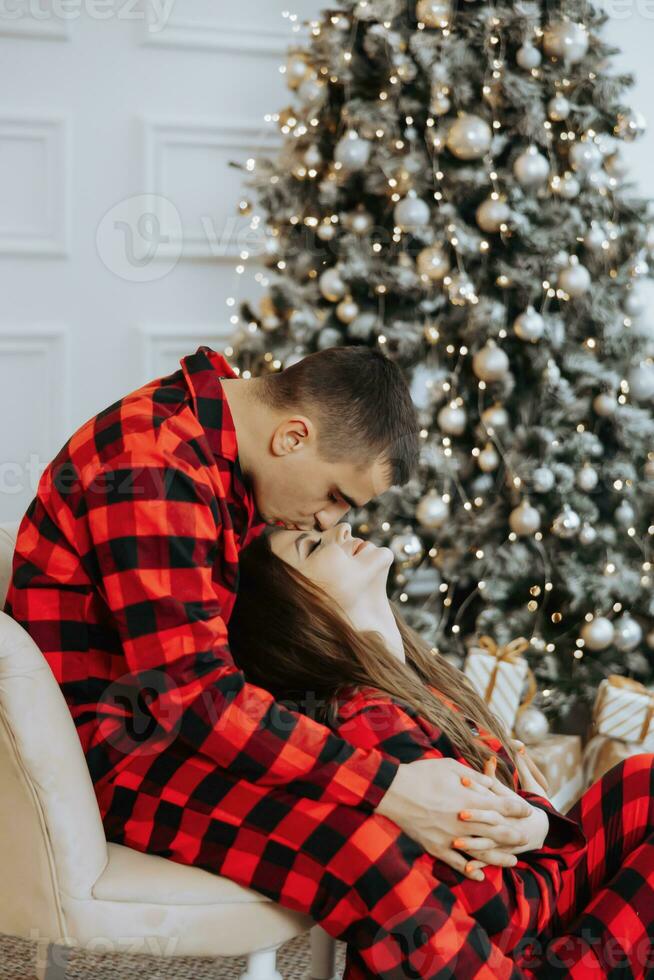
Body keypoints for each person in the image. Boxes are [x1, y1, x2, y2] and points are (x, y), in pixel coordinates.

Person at [6, 344, 548, 976]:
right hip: (124, 760)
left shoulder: (225, 449)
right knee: (368, 846)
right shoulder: (152, 465)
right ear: (294, 436)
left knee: (396, 780)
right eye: (337, 496)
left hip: (183, 732)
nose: (329, 519)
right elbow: (200, 702)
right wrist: (389, 789)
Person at [226, 520, 654, 979]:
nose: (342, 526)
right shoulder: (371, 722)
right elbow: (506, 918)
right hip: (504, 951)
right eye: (312, 546)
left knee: (641, 782)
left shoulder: (422, 685)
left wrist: (538, 824)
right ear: (296, 614)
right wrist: (543, 823)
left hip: (529, 902)